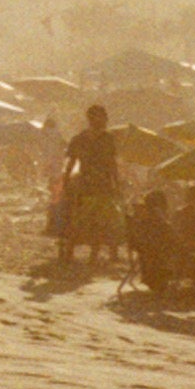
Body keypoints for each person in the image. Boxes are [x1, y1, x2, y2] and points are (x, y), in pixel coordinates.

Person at [57, 104, 125, 267]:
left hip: (100, 186)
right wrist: (65, 182)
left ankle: (90, 255)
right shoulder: (83, 139)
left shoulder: (104, 139)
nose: (103, 121)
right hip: (89, 186)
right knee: (80, 219)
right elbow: (71, 163)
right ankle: (71, 252)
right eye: (100, 118)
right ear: (92, 119)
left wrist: (116, 183)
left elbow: (112, 164)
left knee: (98, 222)